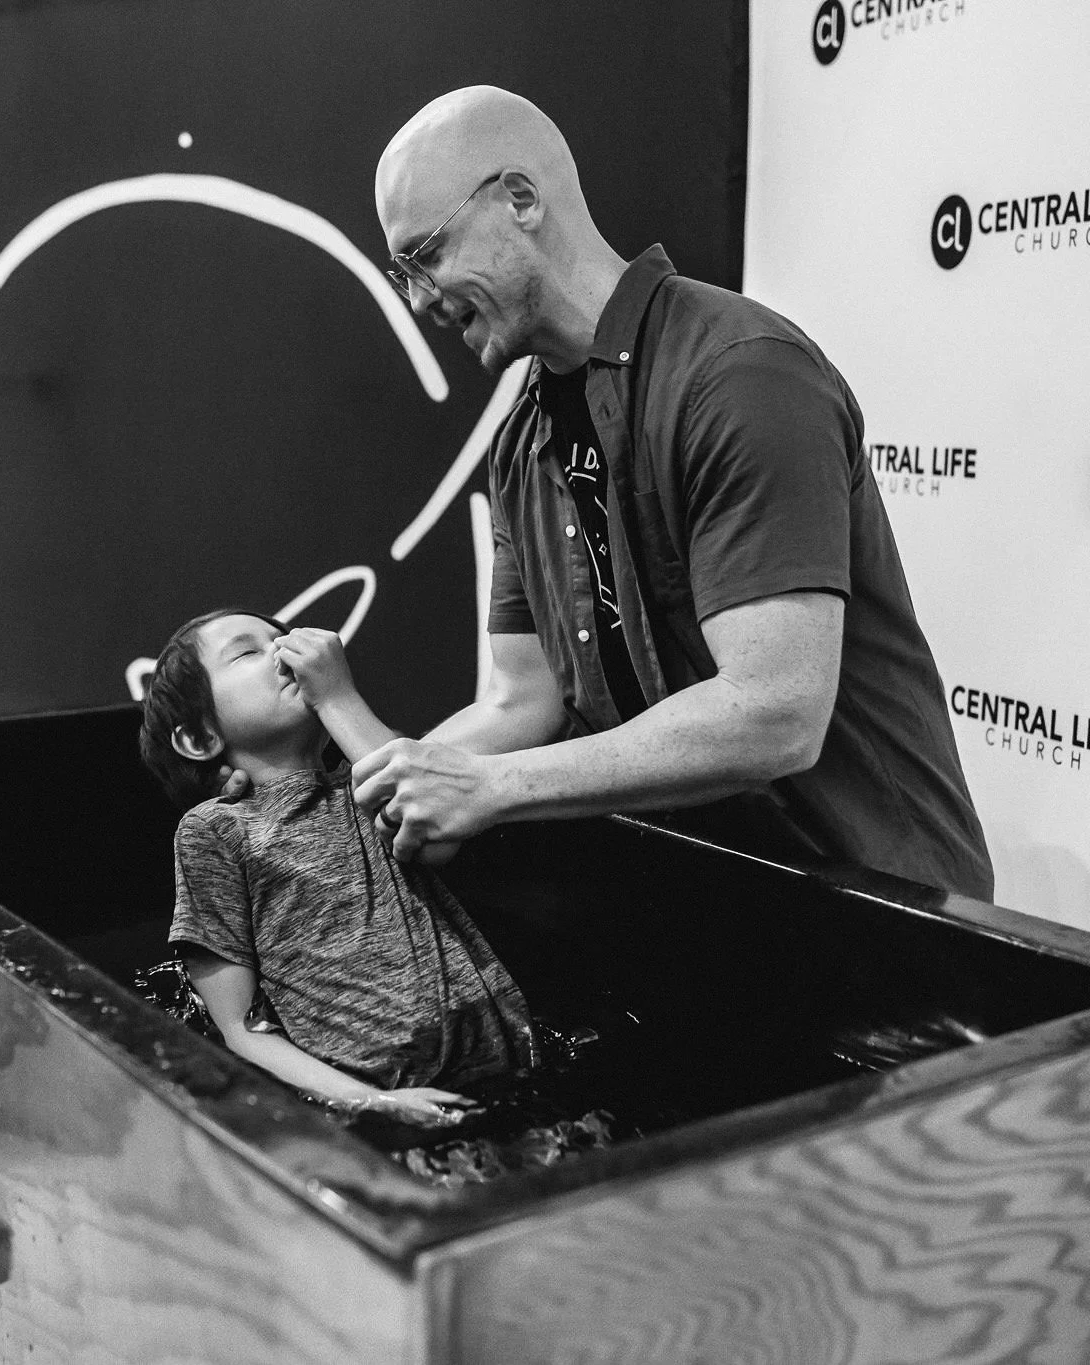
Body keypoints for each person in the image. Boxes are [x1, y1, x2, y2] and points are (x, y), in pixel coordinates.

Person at [353, 84, 993, 900]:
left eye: (426, 255)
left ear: (519, 198)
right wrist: (359, 811)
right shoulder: (520, 442)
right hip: (717, 915)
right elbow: (521, 703)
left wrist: (496, 790)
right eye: (401, 270)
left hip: (890, 932)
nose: (417, 299)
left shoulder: (742, 373)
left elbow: (775, 710)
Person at [138, 608, 539, 1124]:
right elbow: (240, 1030)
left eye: (283, 637)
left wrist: (338, 699)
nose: (287, 650)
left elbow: (427, 822)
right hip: (376, 1103)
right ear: (199, 738)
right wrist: (372, 1103)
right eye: (247, 651)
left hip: (510, 1070)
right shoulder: (215, 831)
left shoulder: (366, 784)